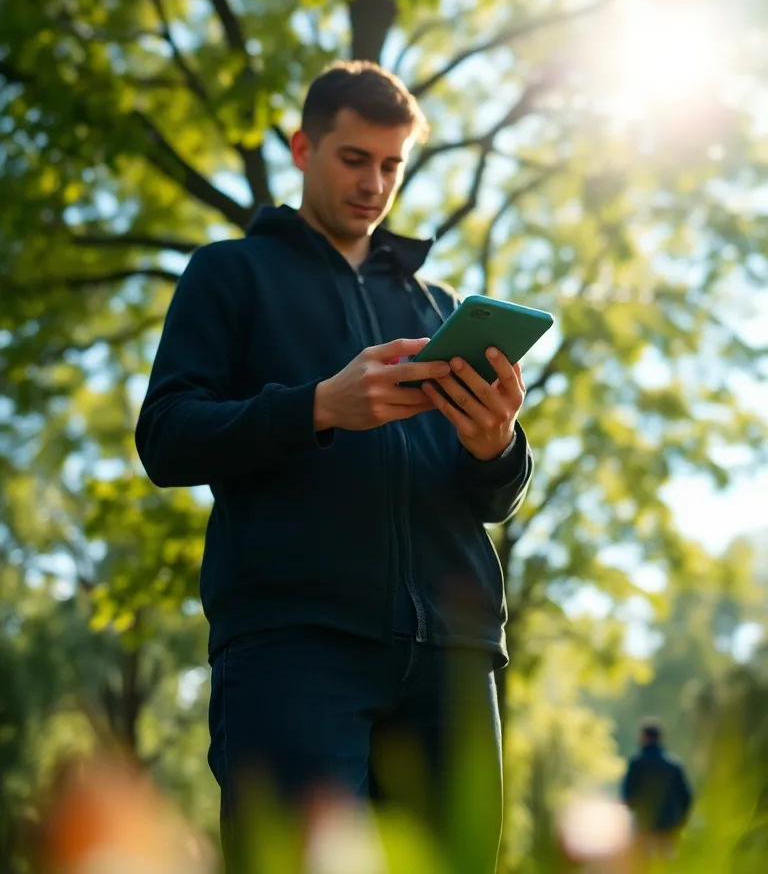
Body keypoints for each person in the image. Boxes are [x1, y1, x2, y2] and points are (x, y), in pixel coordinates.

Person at [136, 60, 533, 871]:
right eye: (355, 159)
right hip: (296, 649)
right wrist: (319, 406)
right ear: (302, 147)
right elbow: (167, 436)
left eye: (392, 165)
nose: (375, 184)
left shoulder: (439, 306)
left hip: (455, 658)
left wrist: (497, 445)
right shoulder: (229, 273)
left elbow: (490, 500)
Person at [621, 719, 693, 860]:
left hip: (645, 824)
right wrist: (681, 819)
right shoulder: (674, 765)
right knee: (666, 862)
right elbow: (686, 796)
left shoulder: (636, 764)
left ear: (644, 737)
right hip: (669, 825)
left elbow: (627, 795)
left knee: (644, 862)